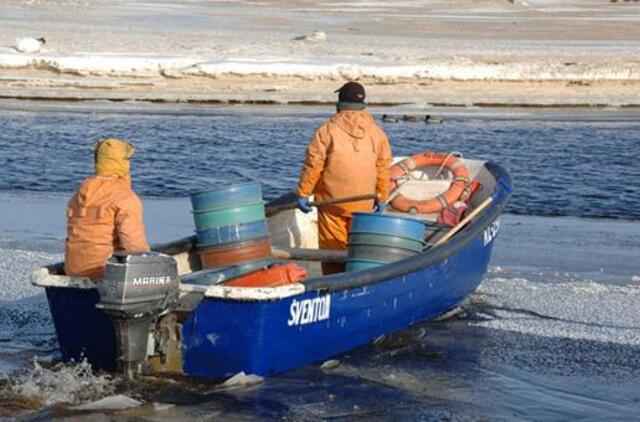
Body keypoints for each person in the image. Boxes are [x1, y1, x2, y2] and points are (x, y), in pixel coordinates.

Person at [296, 82, 392, 275]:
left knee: (332, 251)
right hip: (364, 203)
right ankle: (357, 280)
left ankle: (334, 284)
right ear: (363, 104)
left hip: (332, 203)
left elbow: (314, 165)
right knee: (357, 248)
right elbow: (383, 167)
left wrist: (304, 193)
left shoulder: (326, 131)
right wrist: (382, 197)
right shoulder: (377, 133)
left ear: (339, 103)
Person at [64, 138, 150, 280]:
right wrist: (148, 268)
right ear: (121, 163)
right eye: (127, 160)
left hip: (73, 269)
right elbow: (134, 245)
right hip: (104, 271)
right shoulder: (125, 198)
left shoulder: (79, 193)